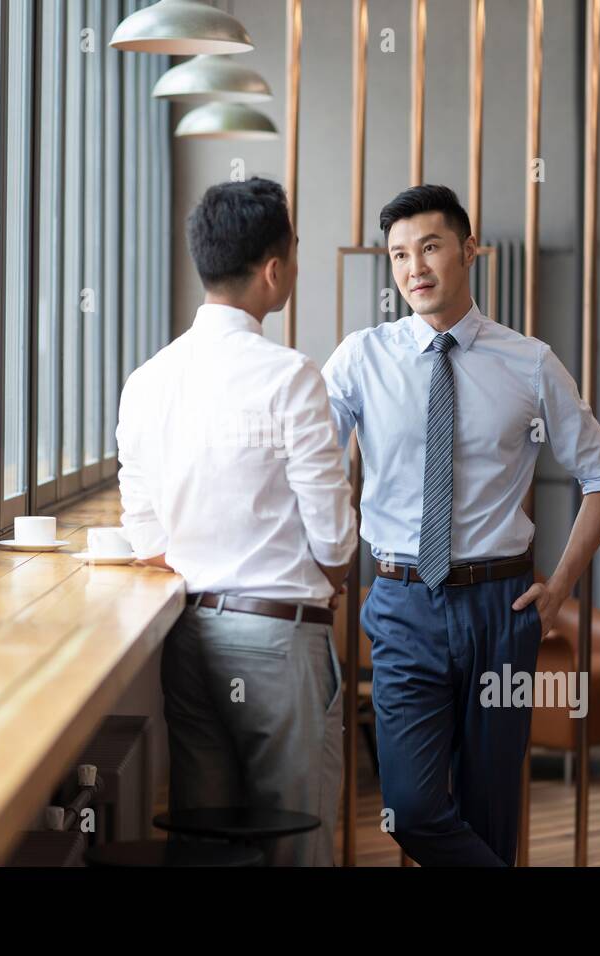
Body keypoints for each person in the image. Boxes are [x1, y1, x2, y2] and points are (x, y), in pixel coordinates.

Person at [322, 184, 600, 866]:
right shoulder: (360, 360)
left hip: (502, 607)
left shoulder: (530, 362)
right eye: (399, 254)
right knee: (411, 808)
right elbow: (305, 461)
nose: (414, 268)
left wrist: (562, 590)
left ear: (469, 251)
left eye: (429, 247)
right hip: (402, 604)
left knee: (491, 813)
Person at [116, 177, 357, 865]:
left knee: (206, 843)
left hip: (187, 637)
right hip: (279, 639)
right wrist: (331, 572)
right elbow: (335, 539)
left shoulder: (148, 379)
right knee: (297, 843)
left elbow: (148, 532)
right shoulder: (289, 376)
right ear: (274, 269)